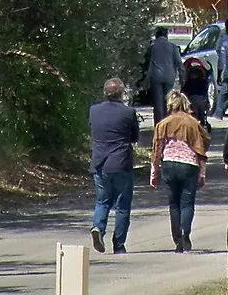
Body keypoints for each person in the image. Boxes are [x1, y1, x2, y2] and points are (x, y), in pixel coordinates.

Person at [150, 89, 208, 253]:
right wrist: (202, 173)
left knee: (174, 204)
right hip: (189, 165)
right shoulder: (193, 124)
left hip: (169, 164)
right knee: (187, 202)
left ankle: (177, 240)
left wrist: (154, 172)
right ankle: (185, 232)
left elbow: (157, 150)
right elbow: (201, 149)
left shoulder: (163, 124)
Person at [87, 76, 140, 254]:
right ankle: (119, 243)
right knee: (122, 205)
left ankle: (97, 227)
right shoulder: (128, 112)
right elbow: (134, 137)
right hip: (121, 162)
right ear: (122, 93)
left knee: (102, 201)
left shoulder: (94, 111)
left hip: (99, 162)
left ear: (105, 92)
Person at [144, 26, 181, 123]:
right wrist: (183, 77)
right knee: (168, 102)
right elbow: (179, 63)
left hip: (156, 76)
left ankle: (159, 125)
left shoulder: (152, 46)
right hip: (169, 76)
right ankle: (168, 123)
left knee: (158, 104)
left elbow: (147, 62)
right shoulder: (172, 46)